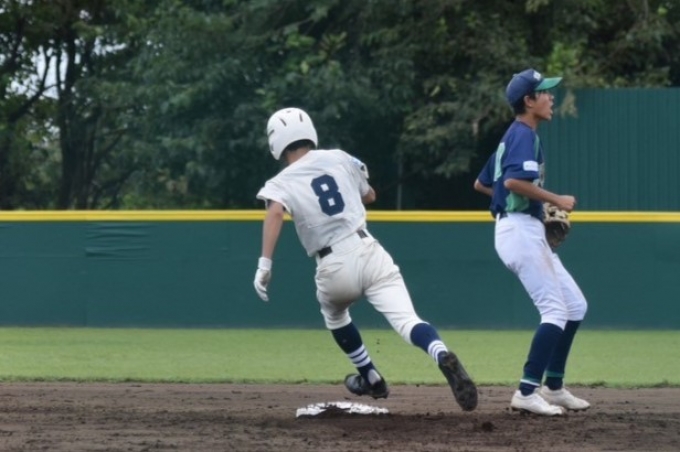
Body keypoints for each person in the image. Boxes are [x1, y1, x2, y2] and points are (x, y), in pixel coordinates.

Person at [253, 107, 478, 411]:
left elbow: (275, 212)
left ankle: (371, 376)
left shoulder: (280, 181)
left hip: (332, 264)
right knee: (408, 321)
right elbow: (370, 195)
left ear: (275, 142)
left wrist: (265, 264)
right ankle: (440, 353)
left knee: (335, 316)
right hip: (368, 250)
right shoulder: (339, 157)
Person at [473, 69, 589, 416]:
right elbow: (511, 183)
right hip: (519, 231)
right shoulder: (523, 134)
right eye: (545, 92)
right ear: (528, 100)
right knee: (554, 311)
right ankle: (526, 391)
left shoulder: (515, 135)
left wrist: (524, 203)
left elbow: (483, 184)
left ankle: (553, 386)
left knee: (575, 306)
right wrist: (556, 199)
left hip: (524, 226)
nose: (551, 97)